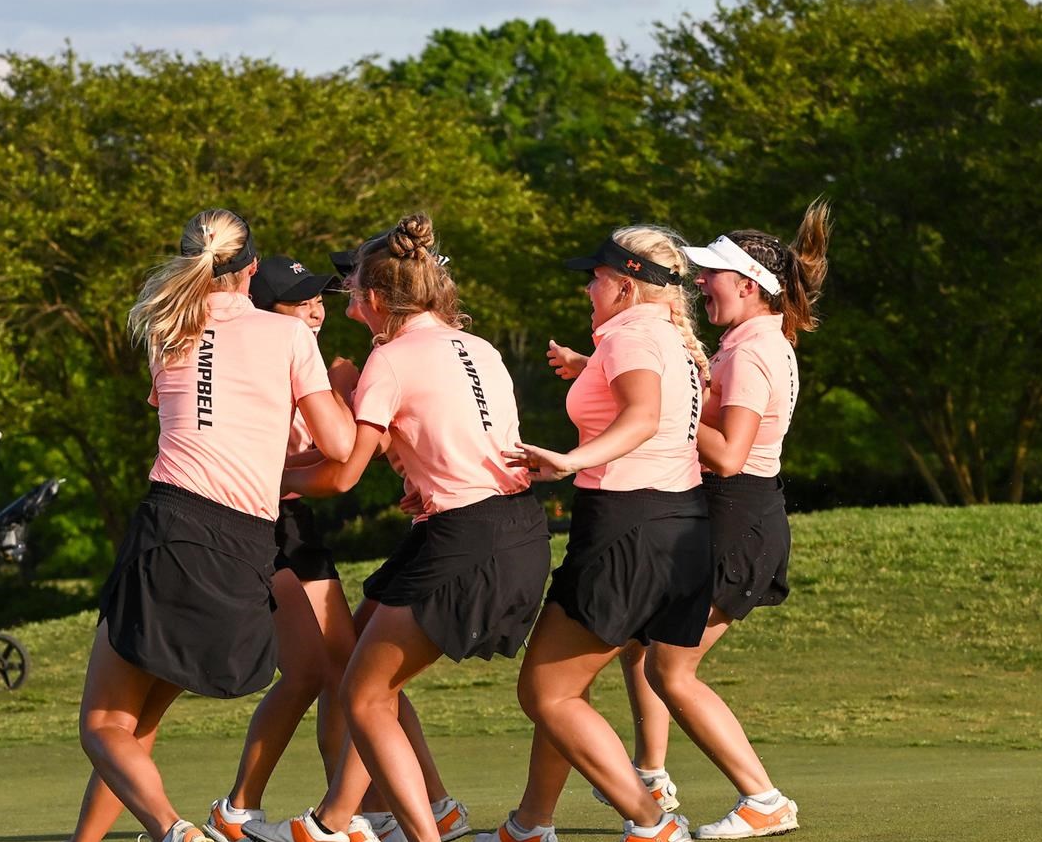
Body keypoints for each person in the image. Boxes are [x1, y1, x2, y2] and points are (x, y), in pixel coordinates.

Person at [249, 216, 545, 842]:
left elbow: (343, 476)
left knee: (362, 693)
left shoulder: (390, 357)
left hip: (466, 537)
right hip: (513, 527)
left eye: (351, 291)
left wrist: (259, 473)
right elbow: (440, 438)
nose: (344, 303)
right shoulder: (480, 346)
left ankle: (402, 828)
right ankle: (363, 818)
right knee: (364, 662)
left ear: (378, 299)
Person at [76, 210, 357, 842]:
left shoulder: (165, 325)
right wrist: (344, 388)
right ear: (252, 267)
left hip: (171, 526)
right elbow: (339, 445)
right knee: (133, 720)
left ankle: (174, 832)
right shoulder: (289, 339)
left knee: (105, 724)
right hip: (247, 543)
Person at [573, 202, 829, 840]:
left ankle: (763, 798)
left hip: (738, 516)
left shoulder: (751, 354)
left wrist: (665, 419)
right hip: (732, 514)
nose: (699, 283)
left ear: (749, 285)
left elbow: (731, 452)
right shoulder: (751, 342)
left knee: (669, 668)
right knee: (644, 647)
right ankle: (652, 773)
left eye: (713, 274)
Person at [481, 227, 712, 842]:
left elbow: (642, 416)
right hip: (672, 524)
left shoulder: (633, 335)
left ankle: (651, 821)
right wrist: (589, 370)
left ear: (627, 285)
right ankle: (531, 824)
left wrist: (569, 461)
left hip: (628, 525)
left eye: (597, 277)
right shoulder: (656, 337)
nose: (589, 287)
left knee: (545, 690)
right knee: (566, 688)